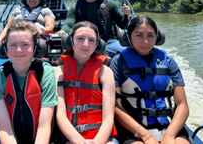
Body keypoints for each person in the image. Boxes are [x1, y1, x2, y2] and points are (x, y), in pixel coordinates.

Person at [110, 15, 190, 144]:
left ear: (157, 37)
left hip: (169, 127)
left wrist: (169, 135)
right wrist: (145, 135)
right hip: (134, 130)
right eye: (139, 35)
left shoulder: (169, 62)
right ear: (128, 36)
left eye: (150, 36)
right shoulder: (118, 63)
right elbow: (115, 106)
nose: (145, 42)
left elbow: (182, 104)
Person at [0, 20, 58, 144]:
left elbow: (44, 127)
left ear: (36, 47)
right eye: (13, 45)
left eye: (25, 44)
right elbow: (5, 130)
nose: (19, 50)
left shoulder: (45, 73)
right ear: (4, 48)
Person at [55, 21, 118, 144]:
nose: (85, 44)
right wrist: (80, 141)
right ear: (70, 41)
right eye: (80, 39)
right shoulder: (58, 72)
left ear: (97, 45)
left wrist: (97, 142)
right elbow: (60, 115)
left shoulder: (105, 72)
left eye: (91, 40)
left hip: (104, 139)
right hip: (70, 138)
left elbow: (108, 118)